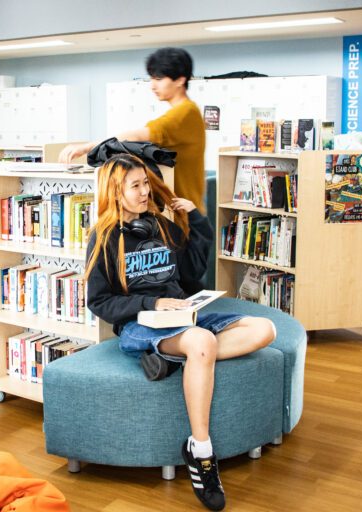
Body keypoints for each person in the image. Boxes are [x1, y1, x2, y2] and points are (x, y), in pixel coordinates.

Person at [84, 155, 275, 511]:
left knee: (265, 329)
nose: (144, 192)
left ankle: (175, 359)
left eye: (145, 184)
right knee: (202, 342)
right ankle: (200, 450)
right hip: (141, 325)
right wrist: (151, 305)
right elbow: (99, 301)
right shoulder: (103, 237)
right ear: (115, 191)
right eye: (135, 186)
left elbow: (190, 276)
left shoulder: (159, 225)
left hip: (183, 317)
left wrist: (195, 221)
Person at [59, 47, 206, 212]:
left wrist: (87, 147)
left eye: (158, 79)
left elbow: (134, 136)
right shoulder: (187, 111)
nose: (152, 86)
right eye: (151, 79)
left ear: (180, 80)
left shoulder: (184, 114)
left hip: (182, 213)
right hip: (180, 209)